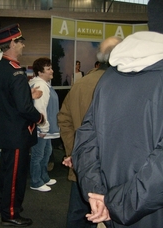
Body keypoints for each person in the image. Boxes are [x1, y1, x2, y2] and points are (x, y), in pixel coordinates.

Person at [72, 1, 163, 227]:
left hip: (110, 208)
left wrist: (98, 194)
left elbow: (85, 138)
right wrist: (116, 204)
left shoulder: (109, 77)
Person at [57, 36, 122, 228]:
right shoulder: (124, 85)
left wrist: (75, 153)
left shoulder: (81, 84)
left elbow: (64, 119)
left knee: (78, 215)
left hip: (83, 168)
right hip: (113, 173)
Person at [0, 24, 45, 227]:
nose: (23, 46)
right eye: (21, 42)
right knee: (15, 176)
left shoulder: (1, 67)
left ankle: (2, 207)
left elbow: (9, 99)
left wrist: (25, 95)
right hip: (17, 134)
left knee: (7, 174)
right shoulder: (15, 71)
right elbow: (24, 108)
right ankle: (11, 213)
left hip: (7, 130)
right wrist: (39, 117)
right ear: (13, 42)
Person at [28, 57, 60, 192]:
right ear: (40, 73)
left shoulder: (44, 84)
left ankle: (44, 177)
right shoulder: (40, 86)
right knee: (38, 155)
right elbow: (40, 108)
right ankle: (36, 182)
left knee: (47, 152)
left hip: (44, 128)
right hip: (41, 128)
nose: (52, 71)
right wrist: (43, 127)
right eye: (48, 69)